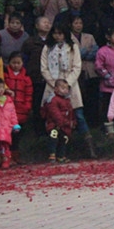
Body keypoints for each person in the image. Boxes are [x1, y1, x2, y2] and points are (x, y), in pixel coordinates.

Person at [40, 23, 96, 159]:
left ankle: (89, 147)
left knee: (78, 115)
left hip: (70, 84)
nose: (57, 36)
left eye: (60, 33)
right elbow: (44, 68)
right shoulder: (47, 48)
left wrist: (67, 84)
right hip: (53, 84)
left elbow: (77, 67)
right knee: (53, 116)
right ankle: (54, 150)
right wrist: (56, 84)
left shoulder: (73, 47)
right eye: (55, 33)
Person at [5, 52, 32, 164]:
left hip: (21, 111)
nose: (16, 65)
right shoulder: (5, 75)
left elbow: (29, 95)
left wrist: (27, 107)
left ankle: (16, 156)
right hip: (7, 110)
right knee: (7, 134)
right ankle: (7, 156)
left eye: (18, 63)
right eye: (13, 62)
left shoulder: (26, 78)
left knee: (18, 135)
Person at [42, 78, 74, 163]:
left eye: (66, 88)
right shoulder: (53, 100)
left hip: (65, 125)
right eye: (63, 88)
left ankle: (61, 155)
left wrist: (72, 122)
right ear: (56, 89)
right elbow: (55, 114)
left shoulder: (67, 100)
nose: (65, 90)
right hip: (54, 125)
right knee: (54, 137)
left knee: (64, 139)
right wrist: (65, 122)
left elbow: (70, 112)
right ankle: (52, 155)